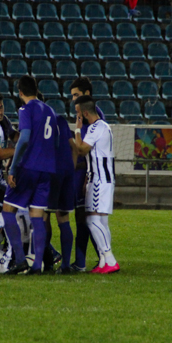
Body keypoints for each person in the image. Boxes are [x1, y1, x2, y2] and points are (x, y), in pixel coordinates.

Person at [1, 75, 58, 275]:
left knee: (8, 210)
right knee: (37, 216)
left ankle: (19, 260)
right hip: (47, 169)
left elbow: (24, 138)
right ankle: (37, 266)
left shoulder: (25, 109)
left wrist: (14, 168)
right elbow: (55, 142)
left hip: (28, 167)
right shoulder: (50, 111)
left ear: (20, 92)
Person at [73, 95, 119, 274]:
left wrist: (77, 131)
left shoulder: (95, 127)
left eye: (78, 113)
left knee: (91, 219)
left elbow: (81, 149)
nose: (77, 117)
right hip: (102, 178)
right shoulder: (103, 126)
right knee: (101, 222)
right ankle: (103, 262)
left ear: (85, 113)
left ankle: (109, 258)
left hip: (100, 179)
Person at [69, 77, 104, 271]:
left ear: (87, 94)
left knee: (84, 218)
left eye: (76, 95)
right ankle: (100, 258)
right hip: (82, 172)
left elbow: (84, 149)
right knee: (84, 217)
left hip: (85, 173)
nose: (73, 99)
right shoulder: (89, 116)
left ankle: (90, 260)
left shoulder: (93, 117)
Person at [46, 113, 76, 274]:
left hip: (50, 171)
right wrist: (71, 168)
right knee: (64, 219)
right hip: (67, 172)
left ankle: (46, 263)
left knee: (43, 216)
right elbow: (74, 147)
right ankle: (65, 265)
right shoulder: (61, 120)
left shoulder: (38, 119)